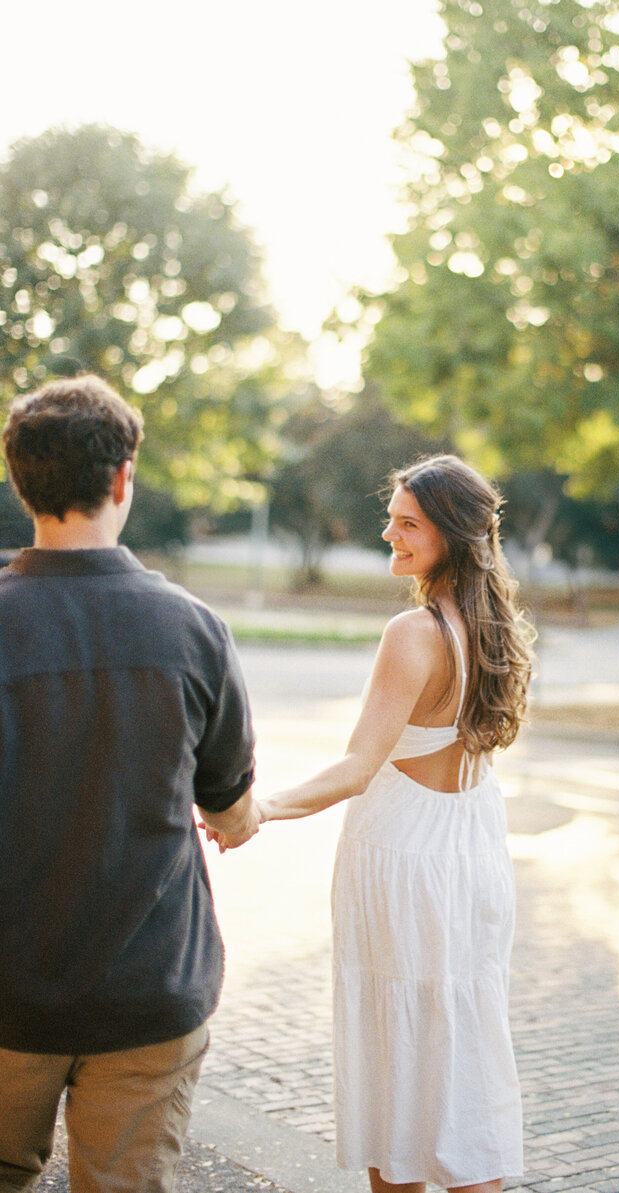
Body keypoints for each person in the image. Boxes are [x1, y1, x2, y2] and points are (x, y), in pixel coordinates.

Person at [210, 454, 533, 1193]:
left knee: (399, 1070)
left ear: (450, 533)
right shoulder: (492, 625)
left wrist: (255, 809)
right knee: (457, 1059)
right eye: (391, 514)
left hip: (405, 860)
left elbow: (358, 767)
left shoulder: (413, 633)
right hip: (469, 854)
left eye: (407, 521)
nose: (388, 529)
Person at [0, 374, 261, 1192]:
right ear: (121, 479)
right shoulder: (192, 628)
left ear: (20, 480)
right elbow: (234, 807)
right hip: (149, 996)